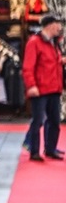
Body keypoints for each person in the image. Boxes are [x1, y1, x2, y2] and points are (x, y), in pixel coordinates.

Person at [21, 14, 64, 161]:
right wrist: (31, 86)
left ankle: (50, 149)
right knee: (38, 121)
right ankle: (34, 151)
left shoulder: (54, 43)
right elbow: (28, 66)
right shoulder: (34, 42)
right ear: (50, 25)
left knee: (54, 121)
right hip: (40, 89)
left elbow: (52, 63)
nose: (60, 27)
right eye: (58, 24)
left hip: (54, 87)